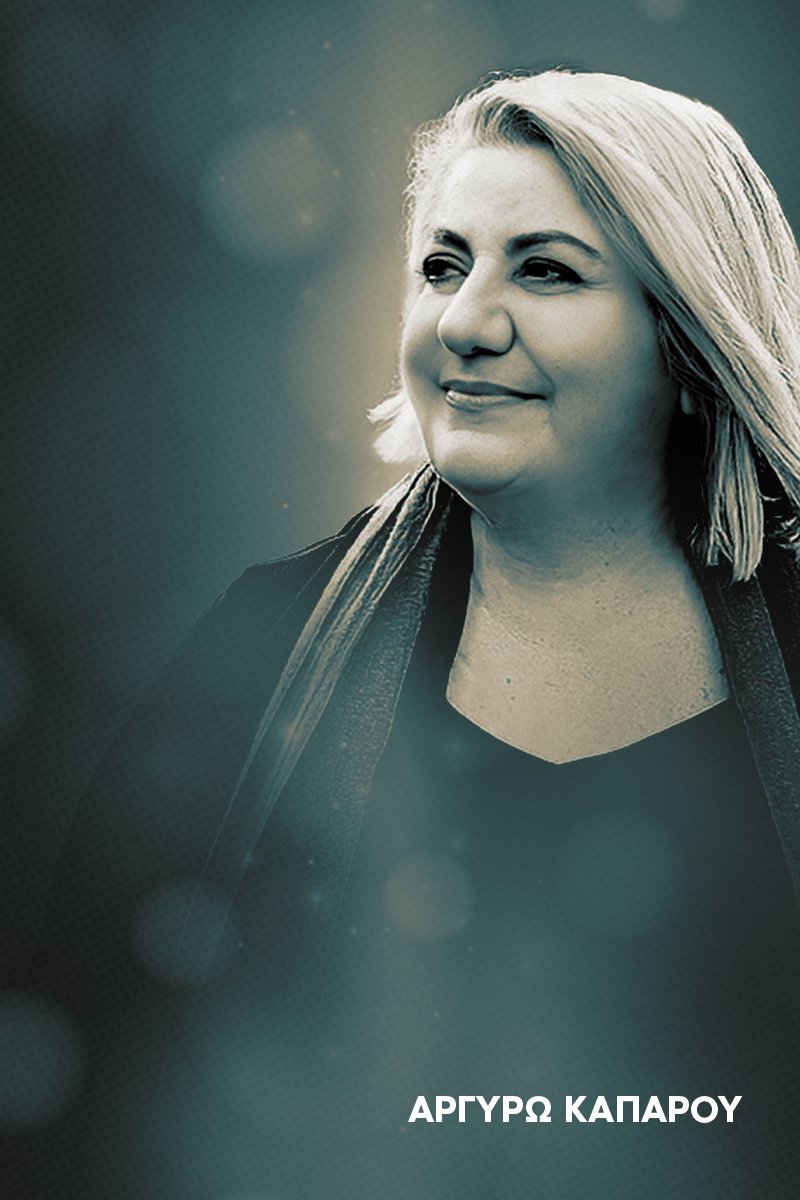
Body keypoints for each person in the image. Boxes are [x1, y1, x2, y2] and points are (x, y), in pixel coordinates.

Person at [27, 69, 800, 1199]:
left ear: (689, 339)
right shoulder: (257, 649)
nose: (465, 323)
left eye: (545, 270)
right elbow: (91, 1075)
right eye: (442, 266)